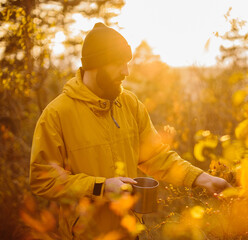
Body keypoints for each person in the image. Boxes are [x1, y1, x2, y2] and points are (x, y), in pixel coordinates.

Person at [29, 22, 231, 239]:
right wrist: (100, 187)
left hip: (129, 231)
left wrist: (202, 178)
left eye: (127, 63)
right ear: (96, 64)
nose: (126, 72)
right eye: (118, 64)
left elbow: (157, 156)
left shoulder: (130, 104)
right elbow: (44, 180)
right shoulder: (57, 114)